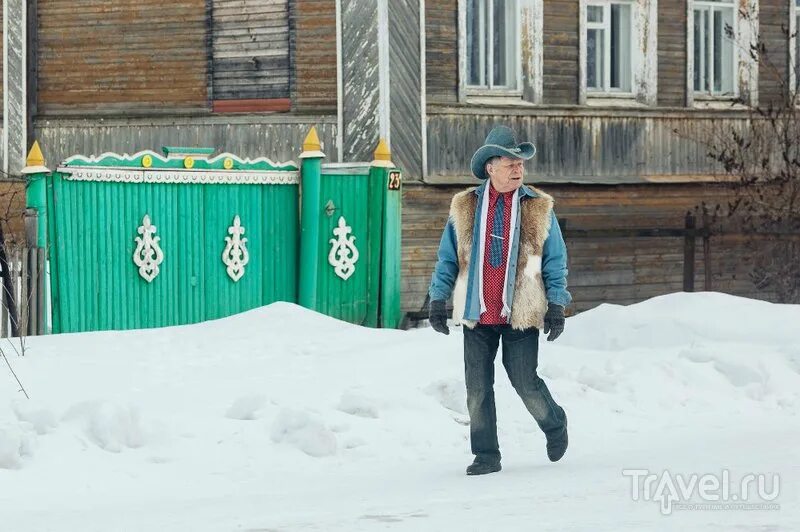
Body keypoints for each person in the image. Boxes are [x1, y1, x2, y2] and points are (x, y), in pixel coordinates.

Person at [428, 125, 572, 476]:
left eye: (520, 163)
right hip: (477, 312)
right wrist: (437, 298)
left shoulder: (538, 207)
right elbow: (448, 257)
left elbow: (555, 259)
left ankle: (554, 423)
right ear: (490, 166)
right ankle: (486, 455)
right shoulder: (465, 206)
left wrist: (557, 304)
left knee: (524, 381)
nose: (518, 168)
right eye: (510, 162)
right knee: (477, 387)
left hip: (520, 311)